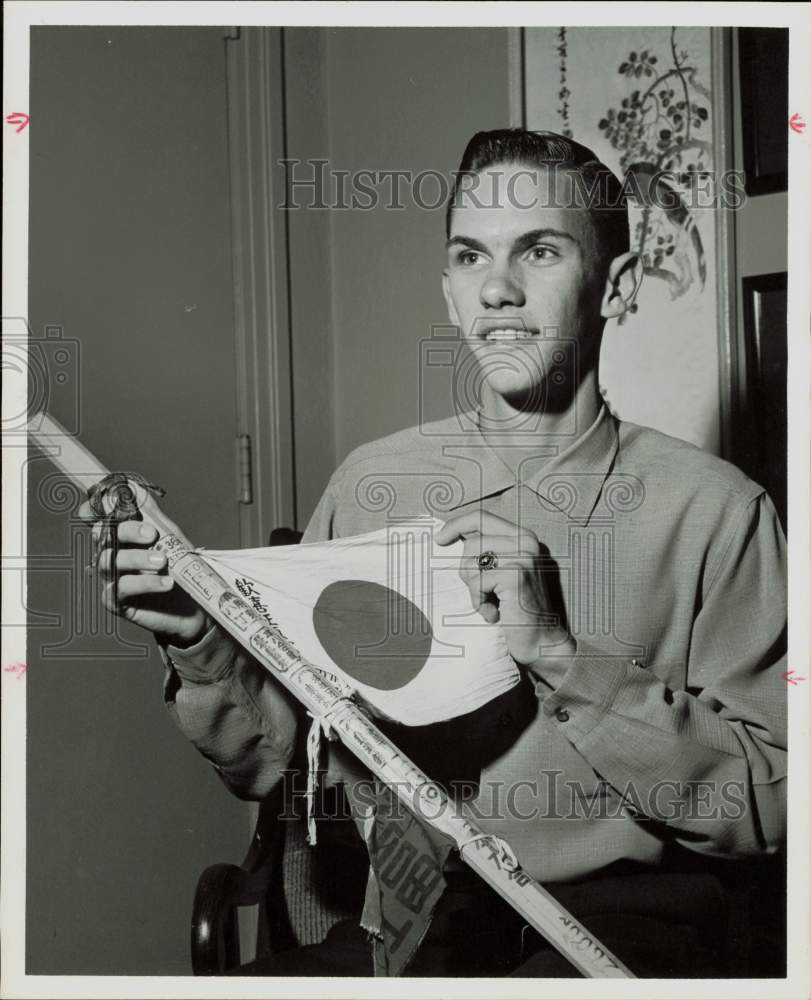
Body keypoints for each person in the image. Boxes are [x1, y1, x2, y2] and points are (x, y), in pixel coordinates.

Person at [84, 129, 787, 977]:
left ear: (616, 285)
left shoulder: (715, 510)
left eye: (538, 249)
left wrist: (561, 656)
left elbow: (769, 806)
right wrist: (199, 644)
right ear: (449, 293)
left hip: (623, 929)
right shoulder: (372, 482)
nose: (497, 288)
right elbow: (274, 763)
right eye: (469, 257)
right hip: (415, 932)